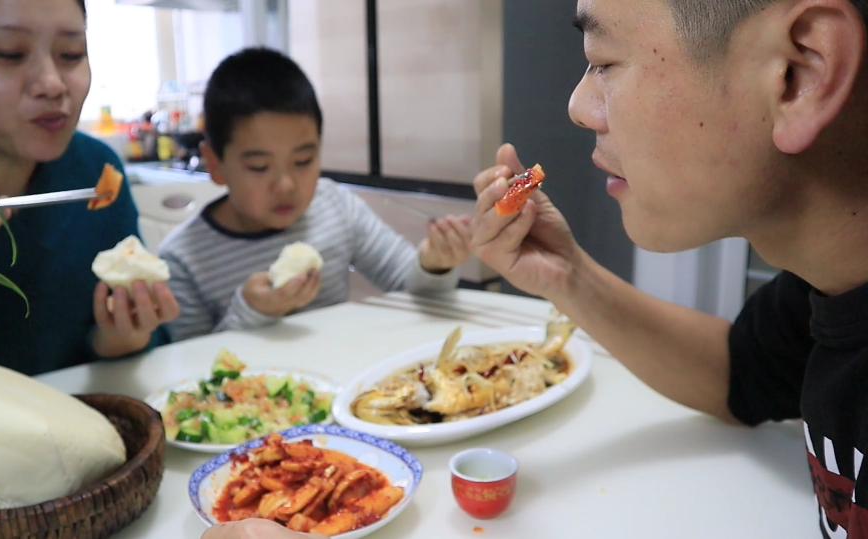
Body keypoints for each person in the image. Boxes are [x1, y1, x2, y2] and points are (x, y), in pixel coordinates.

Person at [471, 0, 866, 537]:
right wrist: (565, 273)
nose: (580, 107)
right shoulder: (829, 284)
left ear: (800, 72)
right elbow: (742, 373)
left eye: (603, 62)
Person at [0, 0, 178, 405]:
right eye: (10, 54)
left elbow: (112, 351)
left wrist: (122, 336)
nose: (53, 83)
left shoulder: (96, 173)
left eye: (71, 54)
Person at [159, 48, 472, 340]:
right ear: (215, 164)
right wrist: (252, 311)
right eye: (259, 166)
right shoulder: (183, 259)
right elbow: (192, 374)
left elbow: (411, 289)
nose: (286, 185)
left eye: (303, 162)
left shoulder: (335, 207)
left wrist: (435, 264)